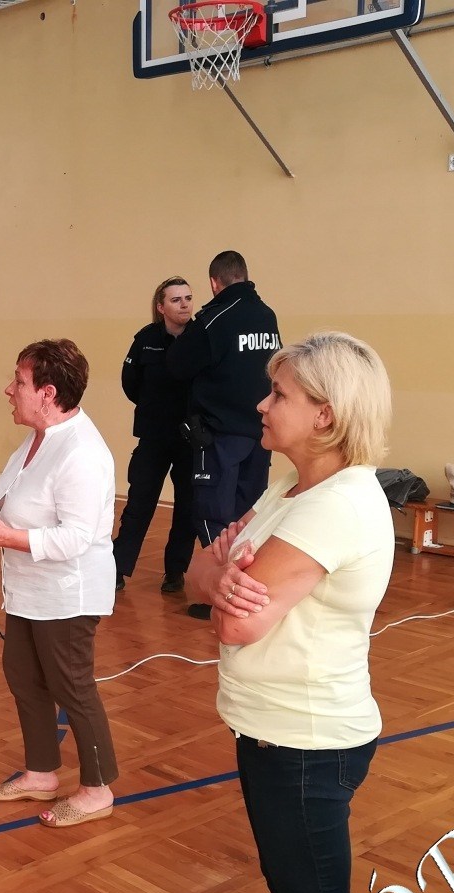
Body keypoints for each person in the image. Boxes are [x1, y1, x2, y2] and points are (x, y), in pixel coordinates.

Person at [184, 332, 394, 893]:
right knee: (292, 892)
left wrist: (221, 585)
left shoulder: (338, 505)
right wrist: (218, 581)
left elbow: (231, 624)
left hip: (308, 742)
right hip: (268, 728)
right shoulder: (288, 488)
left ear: (326, 416)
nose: (261, 405)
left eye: (279, 395)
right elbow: (202, 579)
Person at [0, 339, 120, 829]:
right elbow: (9, 497)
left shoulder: (81, 453)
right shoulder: (37, 440)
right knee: (24, 675)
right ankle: (41, 773)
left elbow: (76, 537)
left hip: (68, 595)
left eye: (19, 382)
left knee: (72, 687)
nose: (8, 390)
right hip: (29, 590)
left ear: (48, 394)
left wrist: (5, 537)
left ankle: (97, 789)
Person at [166, 250, 282, 619]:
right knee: (248, 514)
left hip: (220, 435)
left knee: (212, 514)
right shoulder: (266, 315)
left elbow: (177, 365)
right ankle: (245, 590)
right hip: (259, 434)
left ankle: (215, 595)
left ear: (214, 283)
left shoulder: (215, 318)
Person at [113, 276, 198, 595]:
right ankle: (117, 569)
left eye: (188, 298)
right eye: (176, 300)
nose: (184, 304)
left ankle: (175, 572)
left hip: (189, 438)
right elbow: (130, 382)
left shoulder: (200, 338)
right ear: (161, 307)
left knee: (187, 507)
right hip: (153, 436)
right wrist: (153, 408)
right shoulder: (146, 338)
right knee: (139, 503)